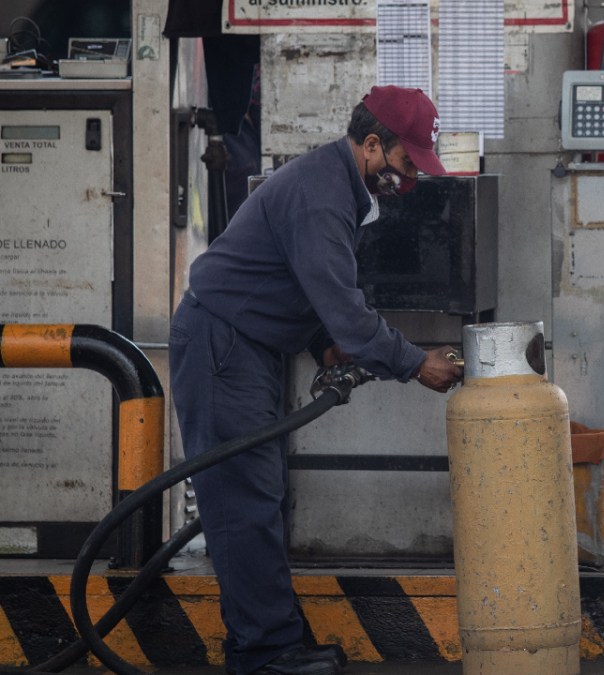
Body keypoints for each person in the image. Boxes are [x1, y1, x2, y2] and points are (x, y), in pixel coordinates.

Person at [169, 86, 464, 675]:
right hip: (221, 344)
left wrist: (318, 343)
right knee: (244, 502)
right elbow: (348, 312)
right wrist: (414, 363)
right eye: (405, 165)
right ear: (373, 144)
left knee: (263, 496)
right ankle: (263, 655)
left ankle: (276, 640)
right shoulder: (323, 195)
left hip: (244, 345)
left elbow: (294, 281)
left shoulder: (336, 184)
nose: (406, 182)